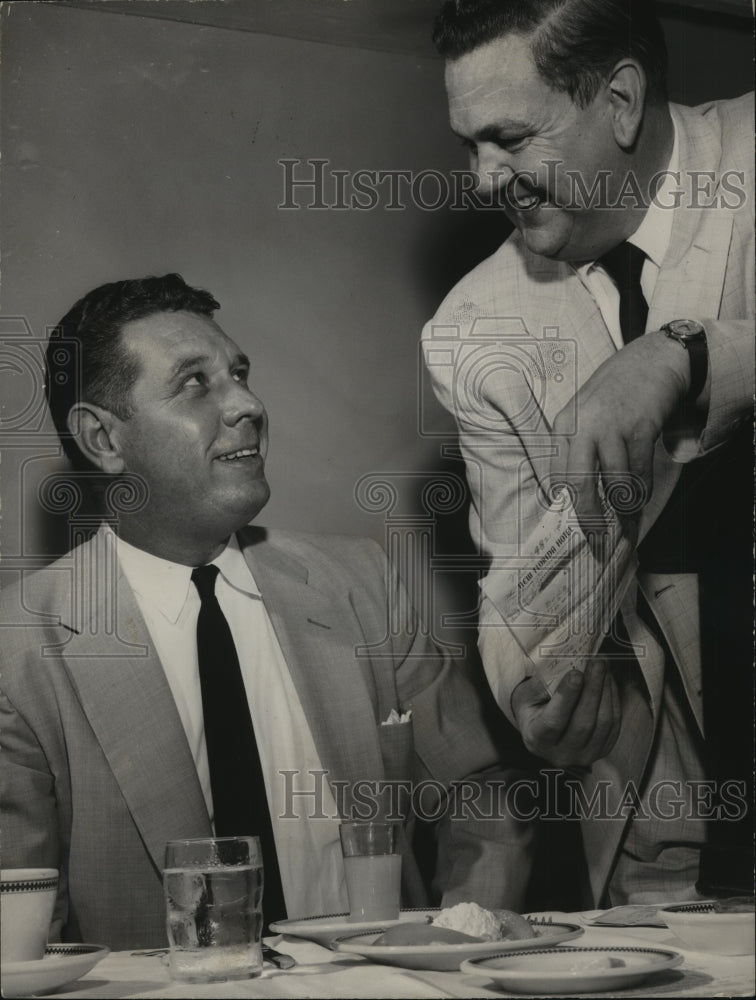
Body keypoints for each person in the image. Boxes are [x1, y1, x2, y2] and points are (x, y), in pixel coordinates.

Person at [0, 274, 534, 951]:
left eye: (240, 373)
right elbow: (19, 939)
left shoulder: (361, 584)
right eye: (196, 383)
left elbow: (480, 792)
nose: (248, 404)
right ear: (104, 440)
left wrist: (462, 939)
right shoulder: (18, 651)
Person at [423, 0, 753, 907]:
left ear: (620, 99)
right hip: (670, 834)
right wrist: (534, 690)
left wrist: (686, 355)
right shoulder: (470, 329)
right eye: (469, 146)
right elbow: (518, 573)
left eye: (510, 138)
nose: (486, 180)